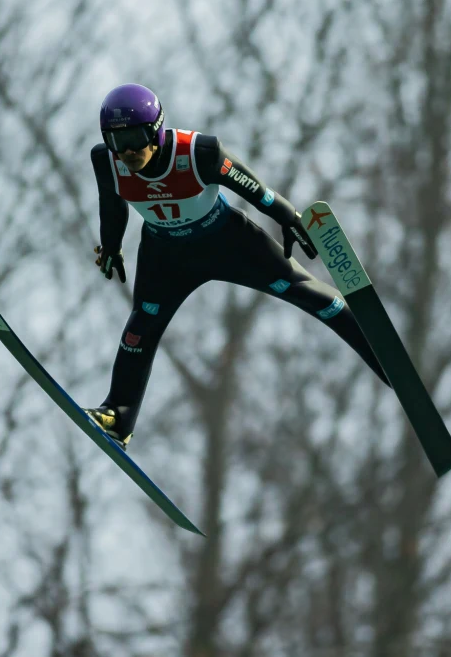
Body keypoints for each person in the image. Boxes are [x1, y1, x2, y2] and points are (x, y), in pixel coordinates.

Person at [84, 83, 389, 449]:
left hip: (227, 242)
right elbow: (111, 204)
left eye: (134, 137)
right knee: (139, 330)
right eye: (118, 141)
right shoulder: (107, 160)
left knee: (306, 292)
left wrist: (291, 219)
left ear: (157, 129)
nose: (128, 151)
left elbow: (257, 191)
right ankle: (119, 416)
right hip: (165, 256)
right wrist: (113, 246)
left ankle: (387, 360)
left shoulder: (200, 152)